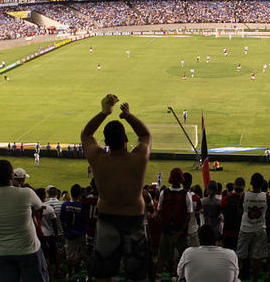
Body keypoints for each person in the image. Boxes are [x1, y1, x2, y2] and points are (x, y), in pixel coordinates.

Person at [80, 94, 152, 281]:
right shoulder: (138, 158)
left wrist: (105, 112)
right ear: (126, 138)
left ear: (105, 142)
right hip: (134, 220)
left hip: (107, 220)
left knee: (103, 274)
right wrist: (127, 115)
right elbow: (145, 135)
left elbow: (86, 134)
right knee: (136, 275)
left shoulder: (98, 159)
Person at [0, 159, 49, 282]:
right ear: (12, 175)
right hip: (28, 250)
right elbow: (39, 205)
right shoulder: (26, 193)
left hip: (2, 252)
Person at [157, 168, 193, 278]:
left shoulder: (164, 193)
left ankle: (158, 276)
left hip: (166, 231)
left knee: (161, 257)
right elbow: (188, 216)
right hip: (180, 233)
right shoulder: (186, 194)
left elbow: (159, 212)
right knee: (184, 256)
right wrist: (178, 233)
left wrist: (166, 230)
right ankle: (181, 277)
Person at [237, 173, 270, 282]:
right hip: (260, 229)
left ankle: (235, 277)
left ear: (251, 183)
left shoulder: (244, 195)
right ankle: (254, 279)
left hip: (245, 228)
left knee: (240, 255)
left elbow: (239, 209)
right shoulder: (266, 196)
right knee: (257, 257)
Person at [60, 184, 86, 279]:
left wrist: (64, 231)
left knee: (70, 256)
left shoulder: (65, 204)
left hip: (70, 233)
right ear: (80, 194)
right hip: (82, 233)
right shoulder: (83, 206)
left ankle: (70, 274)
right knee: (82, 253)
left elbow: (62, 219)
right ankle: (81, 271)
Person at [221, 177, 245, 250]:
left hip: (228, 230)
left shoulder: (225, 199)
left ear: (234, 186)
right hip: (241, 231)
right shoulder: (245, 200)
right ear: (243, 187)